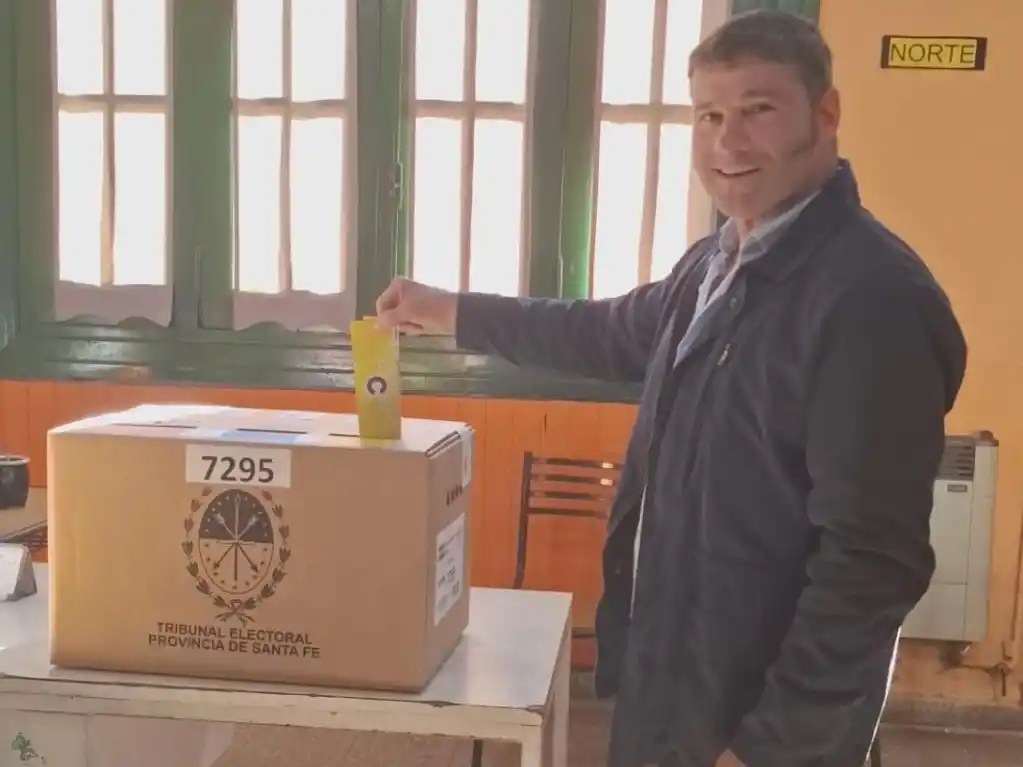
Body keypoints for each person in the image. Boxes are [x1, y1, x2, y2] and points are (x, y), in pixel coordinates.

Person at [376, 9, 966, 767]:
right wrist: (452, 312)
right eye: (708, 115)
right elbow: (606, 330)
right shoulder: (713, 265)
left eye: (757, 109)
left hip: (761, 722)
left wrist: (768, 746)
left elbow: (871, 560)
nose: (728, 141)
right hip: (671, 677)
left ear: (825, 114)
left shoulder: (868, 300)